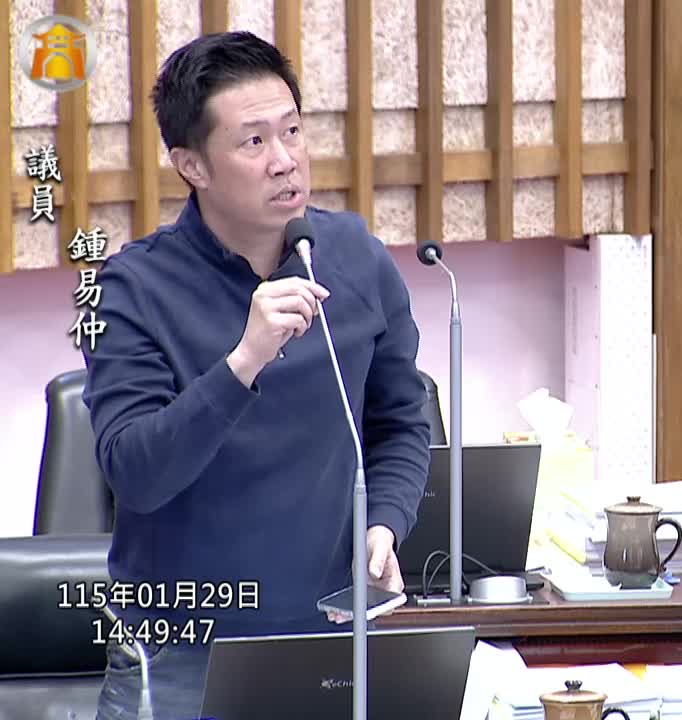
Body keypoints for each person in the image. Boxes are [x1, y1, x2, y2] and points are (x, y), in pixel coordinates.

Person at [82, 32, 431, 719]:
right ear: (192, 166)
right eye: (253, 142)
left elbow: (399, 423)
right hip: (181, 653)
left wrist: (386, 522)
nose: (285, 160)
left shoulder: (354, 257)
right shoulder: (131, 289)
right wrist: (243, 360)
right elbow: (136, 474)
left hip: (329, 636)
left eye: (293, 131)